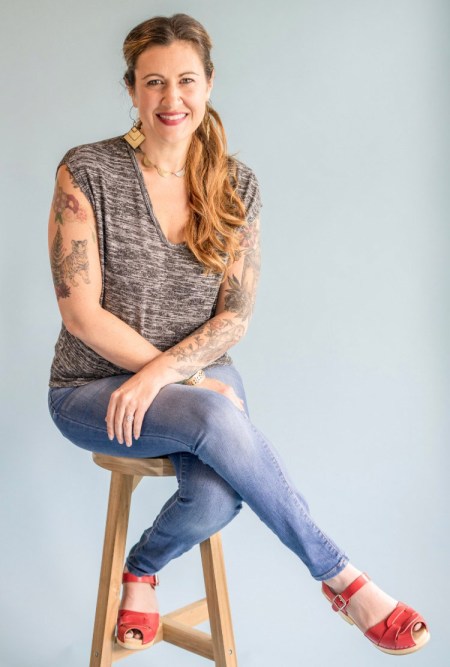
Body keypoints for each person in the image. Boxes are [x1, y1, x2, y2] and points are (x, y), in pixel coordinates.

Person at [47, 12, 429, 656]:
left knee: (216, 496)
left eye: (186, 80)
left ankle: (141, 570)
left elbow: (234, 317)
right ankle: (342, 579)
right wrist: (184, 379)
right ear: (131, 89)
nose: (171, 98)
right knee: (215, 413)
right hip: (93, 388)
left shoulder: (236, 185)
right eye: (154, 82)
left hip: (193, 377)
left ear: (209, 84)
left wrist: (169, 376)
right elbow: (81, 314)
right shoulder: (87, 172)